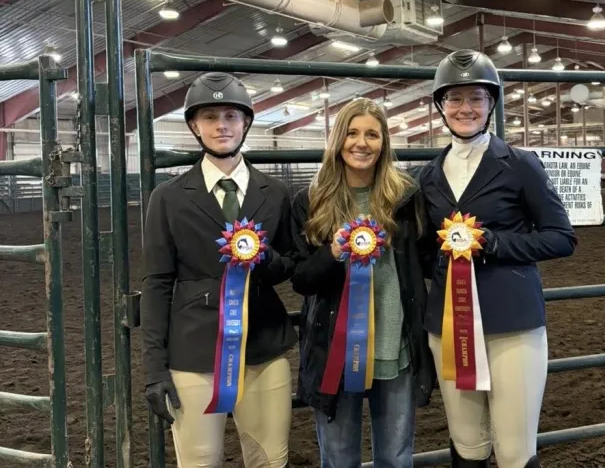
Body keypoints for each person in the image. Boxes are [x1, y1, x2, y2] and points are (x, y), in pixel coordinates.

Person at [415, 49, 578, 468]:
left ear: (491, 104)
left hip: (513, 325)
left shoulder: (520, 165)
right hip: (448, 327)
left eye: (476, 98)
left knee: (514, 449)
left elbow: (561, 238)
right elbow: (421, 250)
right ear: (441, 106)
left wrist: (494, 243)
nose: (465, 108)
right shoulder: (427, 176)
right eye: (454, 98)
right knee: (466, 442)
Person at [140, 72, 297, 468]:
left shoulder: (275, 193)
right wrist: (154, 368)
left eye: (231, 115)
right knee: (200, 461)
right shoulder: (169, 198)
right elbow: (157, 283)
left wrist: (264, 258)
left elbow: (290, 264)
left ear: (246, 122)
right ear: (194, 125)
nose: (221, 125)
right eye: (210, 117)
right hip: (194, 352)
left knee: (269, 459)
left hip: (264, 347)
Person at [290, 97, 435, 468]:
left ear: (384, 142)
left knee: (397, 458)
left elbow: (425, 261)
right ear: (339, 140)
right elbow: (302, 281)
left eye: (372, 134)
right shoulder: (309, 200)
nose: (362, 143)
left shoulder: (406, 196)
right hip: (333, 353)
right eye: (352, 133)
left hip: (397, 350)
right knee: (338, 459)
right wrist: (333, 254)